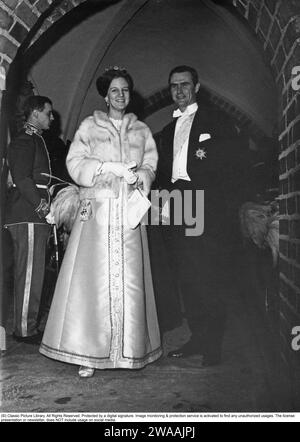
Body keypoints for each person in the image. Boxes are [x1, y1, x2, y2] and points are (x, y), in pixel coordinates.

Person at [40, 67, 162, 377]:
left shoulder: (141, 130)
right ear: (105, 95)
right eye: (115, 91)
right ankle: (89, 353)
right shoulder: (89, 127)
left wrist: (140, 177)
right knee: (93, 283)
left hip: (129, 217)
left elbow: (150, 164)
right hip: (97, 215)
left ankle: (129, 350)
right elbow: (74, 163)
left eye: (125, 90)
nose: (121, 96)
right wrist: (106, 166)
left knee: (130, 282)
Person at [156, 65, 239, 366]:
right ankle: (198, 336)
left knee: (209, 275)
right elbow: (163, 176)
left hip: (206, 204)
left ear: (197, 87)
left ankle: (213, 344)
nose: (179, 90)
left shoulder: (216, 120)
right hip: (177, 203)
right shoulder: (166, 131)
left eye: (184, 84)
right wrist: (161, 209)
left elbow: (230, 166)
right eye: (173, 85)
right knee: (186, 275)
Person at [4, 95, 54, 344]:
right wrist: (42, 207)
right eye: (48, 113)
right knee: (29, 273)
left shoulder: (35, 140)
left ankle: (29, 325)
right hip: (28, 213)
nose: (52, 118)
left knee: (34, 273)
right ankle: (24, 329)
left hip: (31, 214)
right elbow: (22, 178)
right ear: (35, 113)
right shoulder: (25, 141)